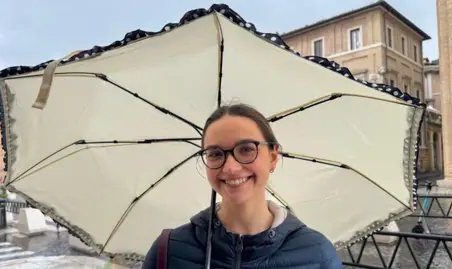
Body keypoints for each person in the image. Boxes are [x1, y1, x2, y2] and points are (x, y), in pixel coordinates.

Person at [142, 103, 342, 269]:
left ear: (273, 157)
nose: (230, 167)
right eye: (215, 153)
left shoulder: (317, 254)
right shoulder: (168, 251)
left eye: (246, 149)